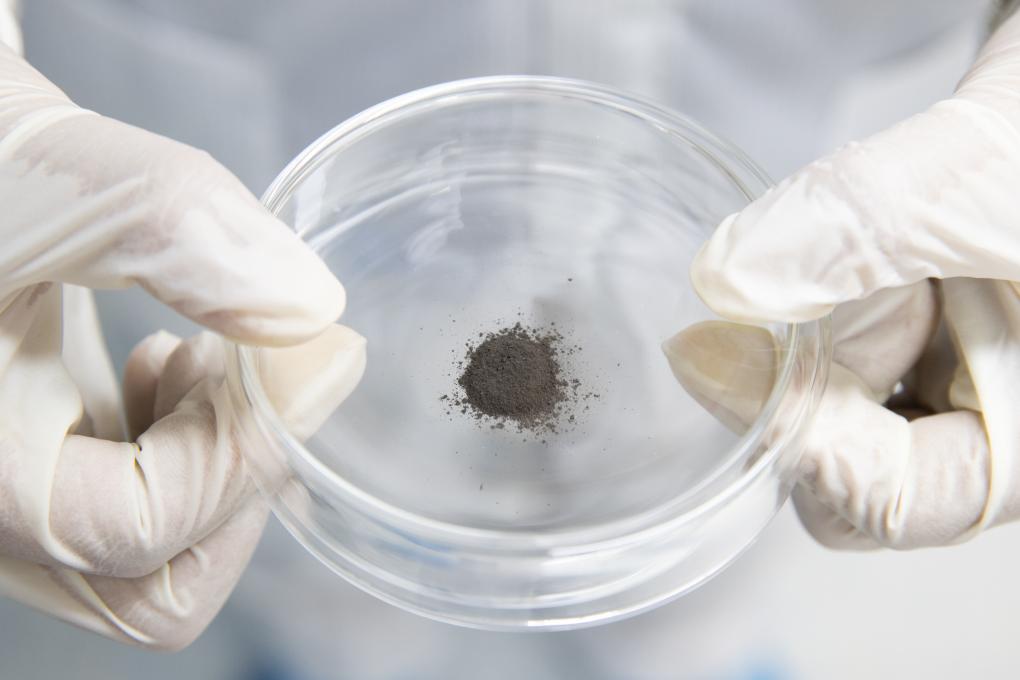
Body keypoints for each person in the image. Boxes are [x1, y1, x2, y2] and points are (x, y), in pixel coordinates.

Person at [0, 0, 1014, 665]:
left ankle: (692, 652)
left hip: (787, 182)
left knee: (695, 577)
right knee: (303, 548)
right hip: (250, 168)